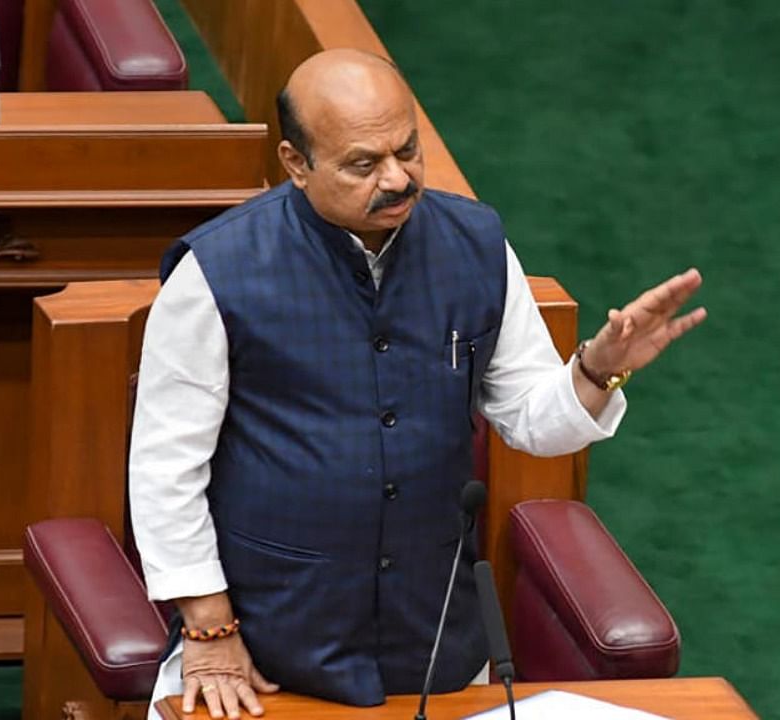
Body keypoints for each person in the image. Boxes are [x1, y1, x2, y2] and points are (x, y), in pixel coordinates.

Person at [129, 48, 706, 720]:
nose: (399, 179)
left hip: (435, 651)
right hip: (257, 658)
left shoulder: (477, 243)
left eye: (408, 150)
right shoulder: (216, 273)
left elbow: (530, 421)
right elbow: (167, 468)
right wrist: (209, 628)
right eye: (363, 165)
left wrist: (598, 368)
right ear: (295, 163)